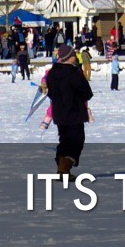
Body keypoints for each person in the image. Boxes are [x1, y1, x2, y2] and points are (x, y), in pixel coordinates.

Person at [45, 44, 94, 177]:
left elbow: (49, 93)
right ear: (68, 57)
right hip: (74, 112)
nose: (75, 57)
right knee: (76, 141)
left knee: (65, 140)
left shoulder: (52, 73)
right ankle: (64, 167)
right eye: (74, 55)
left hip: (60, 113)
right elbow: (87, 93)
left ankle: (62, 168)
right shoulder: (74, 73)